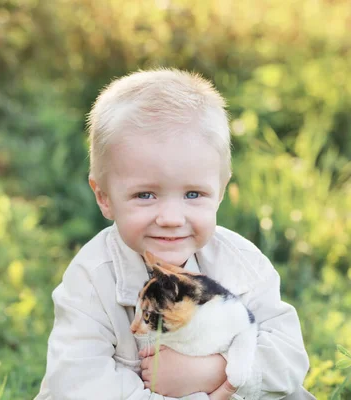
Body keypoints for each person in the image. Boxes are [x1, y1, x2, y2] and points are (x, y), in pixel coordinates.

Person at [35, 68, 313, 400]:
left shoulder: (241, 264)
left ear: (221, 191)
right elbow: (80, 384)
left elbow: (288, 358)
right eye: (145, 195)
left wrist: (213, 372)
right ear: (104, 197)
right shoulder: (91, 279)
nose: (170, 218)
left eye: (193, 194)